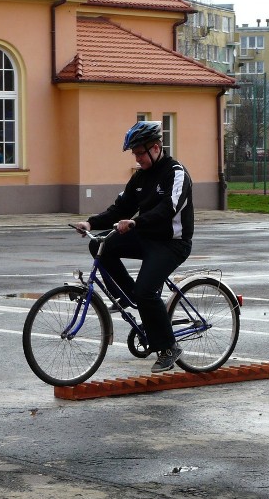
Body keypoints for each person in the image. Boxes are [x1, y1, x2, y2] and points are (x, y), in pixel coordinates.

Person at [74, 121, 194, 374]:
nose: (137, 158)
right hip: (145, 237)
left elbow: (168, 209)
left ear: (156, 148)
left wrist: (136, 221)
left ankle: (168, 348)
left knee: (146, 291)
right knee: (101, 246)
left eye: (140, 153)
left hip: (172, 243)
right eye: (134, 154)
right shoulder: (139, 177)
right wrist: (90, 222)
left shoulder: (176, 172)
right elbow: (120, 208)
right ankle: (129, 296)